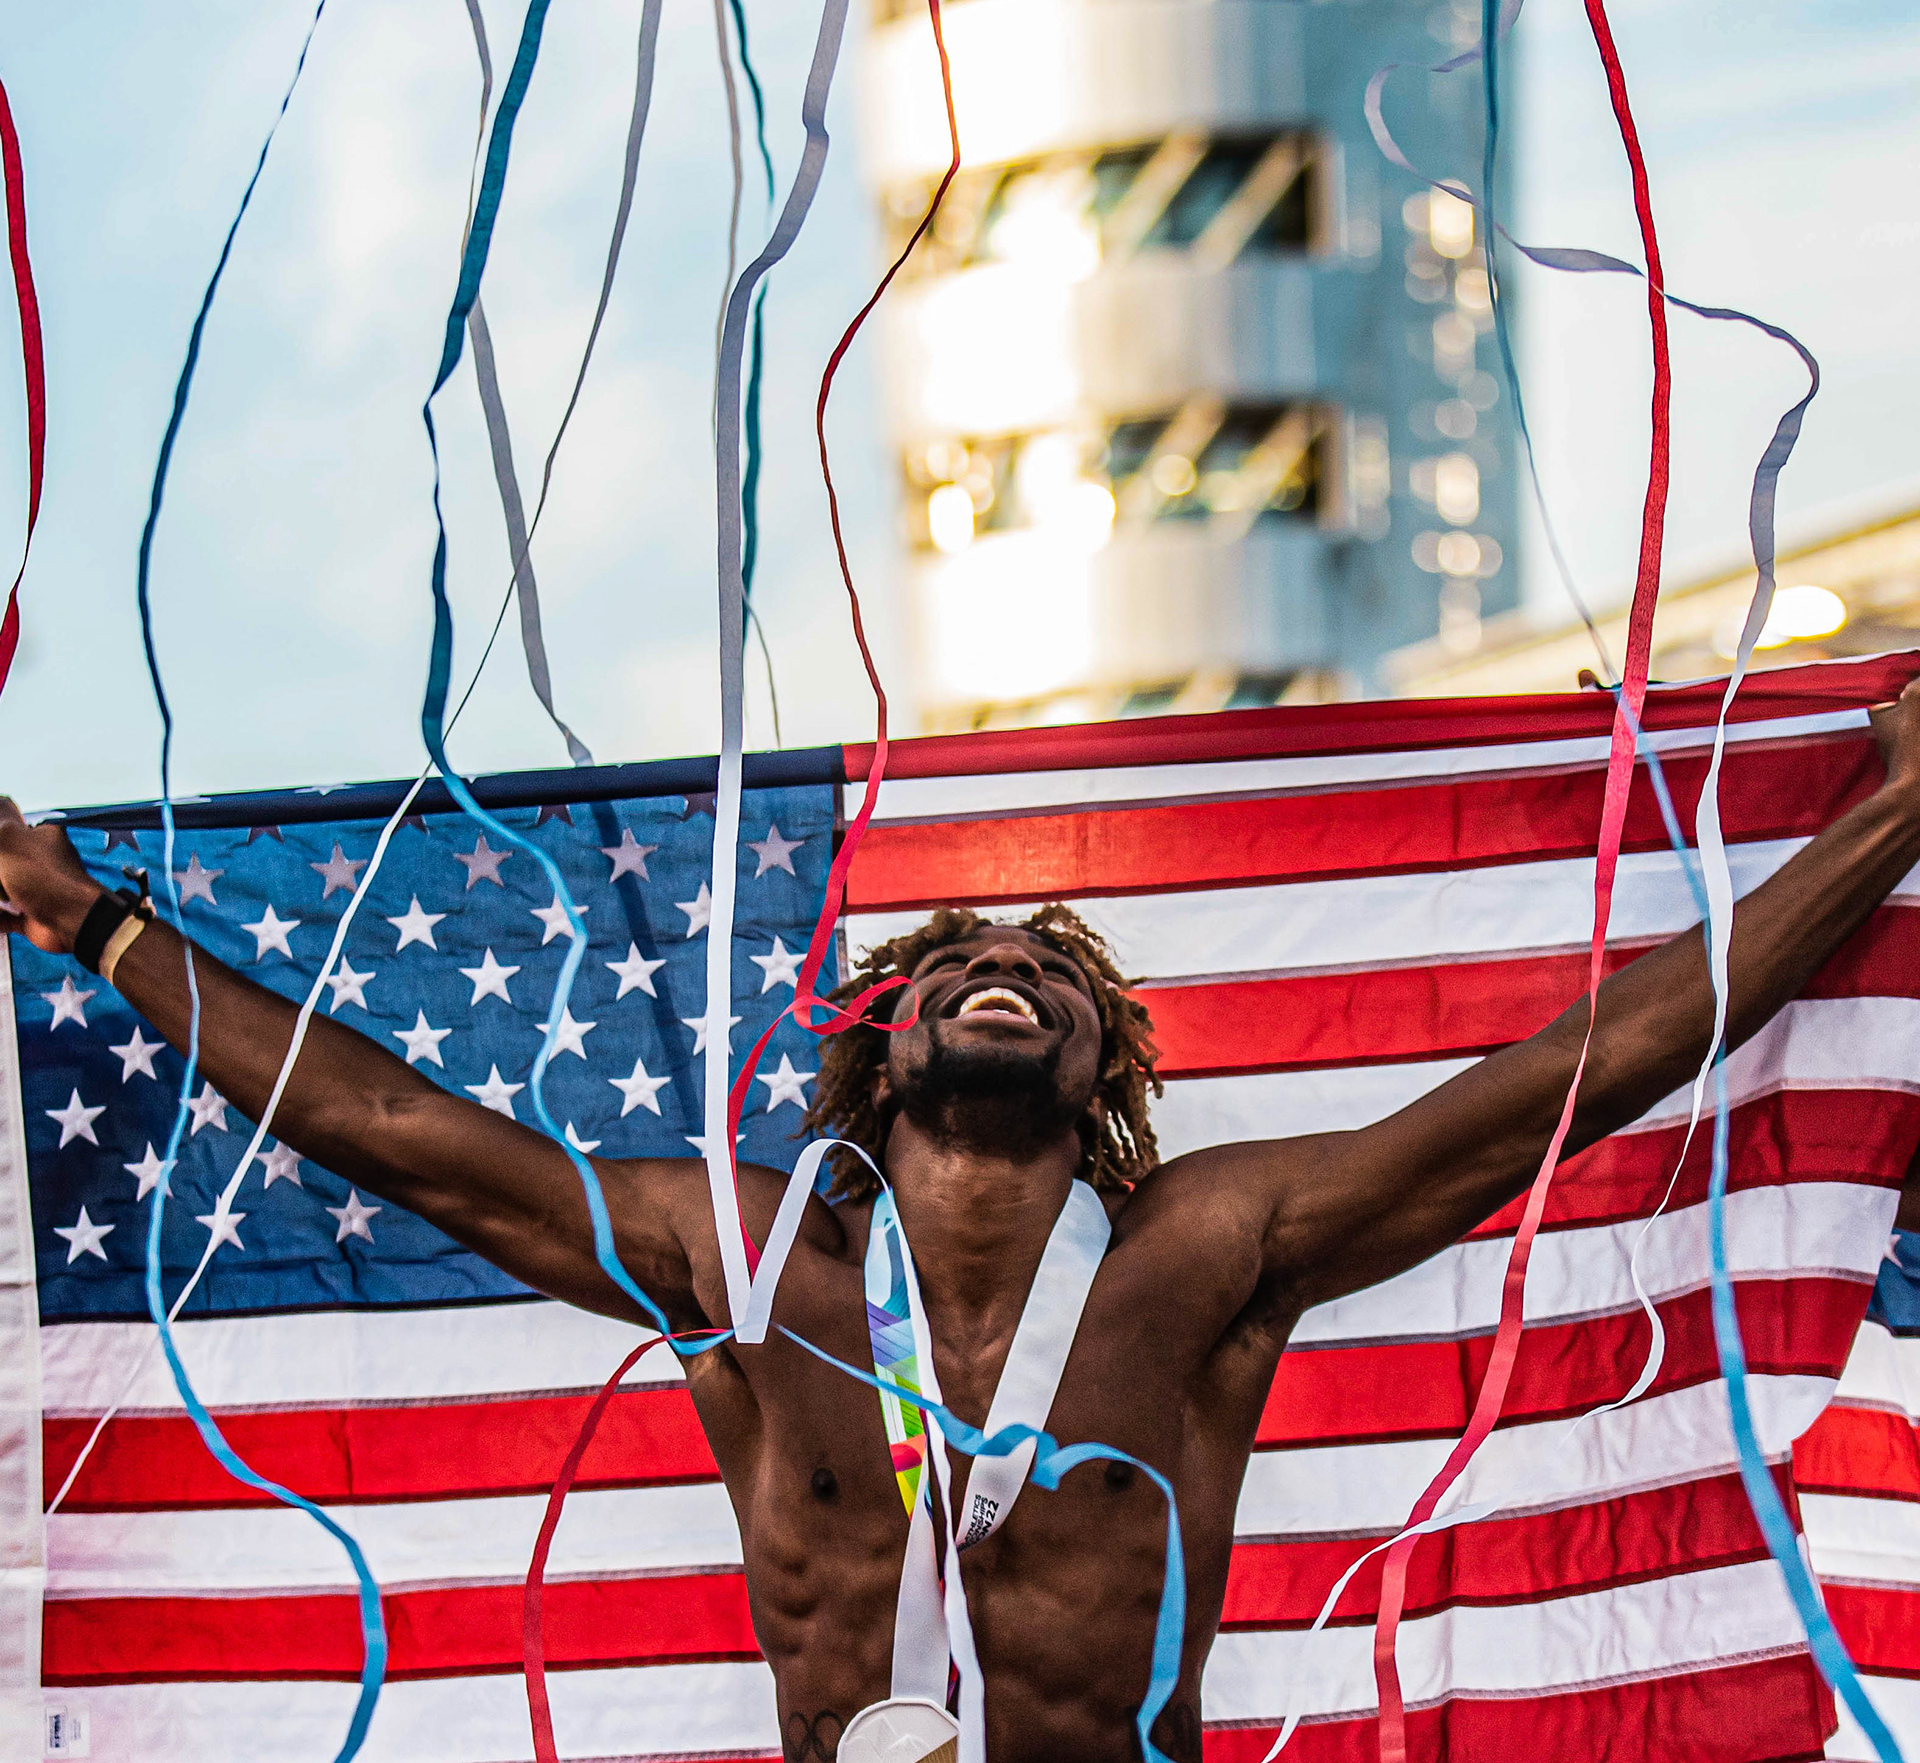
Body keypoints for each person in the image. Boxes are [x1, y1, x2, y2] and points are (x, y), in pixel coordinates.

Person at [4, 683, 1920, 1763]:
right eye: (962, 956)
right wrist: (93, 922)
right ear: (879, 1044)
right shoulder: (743, 1252)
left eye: (1051, 967)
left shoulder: (1202, 1243)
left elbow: (1575, 1074)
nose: (1006, 962)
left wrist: (1892, 819)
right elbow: (400, 1133)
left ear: (1104, 1068)